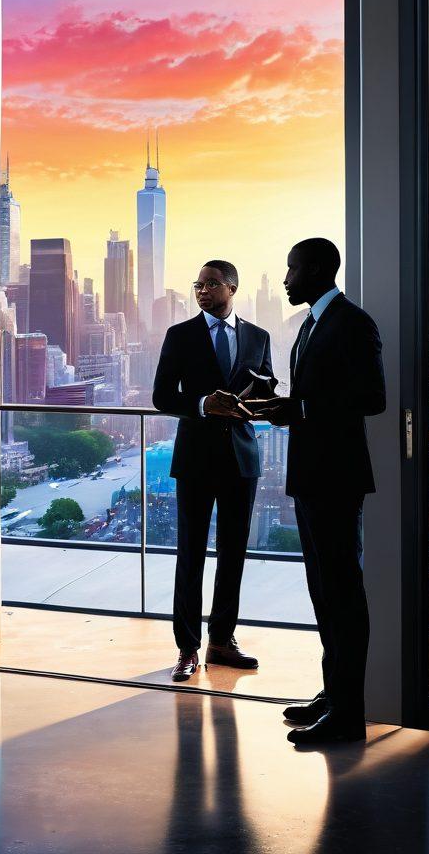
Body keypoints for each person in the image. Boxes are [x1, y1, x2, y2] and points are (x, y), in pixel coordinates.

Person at [247, 238, 385, 745]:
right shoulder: (310, 324)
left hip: (337, 477)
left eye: (292, 269)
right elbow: (317, 394)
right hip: (311, 477)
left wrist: (298, 411)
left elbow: (373, 398)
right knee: (323, 592)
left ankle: (350, 717)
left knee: (343, 593)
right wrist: (277, 401)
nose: (285, 279)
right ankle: (334, 697)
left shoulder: (353, 323)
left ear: (319, 269)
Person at [152, 260, 275, 684]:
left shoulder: (259, 337)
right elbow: (162, 397)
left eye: (211, 283)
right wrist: (205, 404)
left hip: (242, 459)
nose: (201, 290)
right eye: (197, 284)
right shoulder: (180, 335)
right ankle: (187, 648)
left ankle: (221, 642)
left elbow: (266, 389)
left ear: (232, 288)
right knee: (190, 555)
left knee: (233, 554)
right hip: (196, 458)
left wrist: (260, 401)